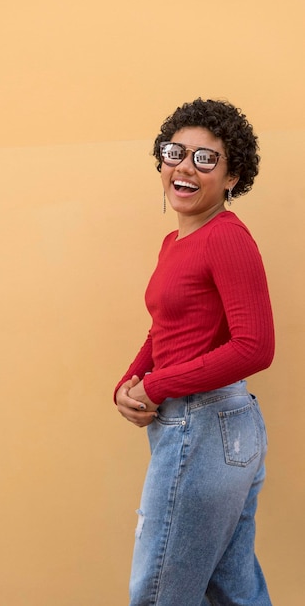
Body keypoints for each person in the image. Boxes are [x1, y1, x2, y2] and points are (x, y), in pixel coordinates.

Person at [114, 98, 275, 606]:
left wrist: (157, 386)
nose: (185, 166)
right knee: (232, 591)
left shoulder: (226, 237)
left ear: (232, 177)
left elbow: (255, 347)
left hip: (204, 425)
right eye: (175, 152)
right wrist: (131, 381)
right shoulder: (176, 241)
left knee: (161, 593)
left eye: (206, 158)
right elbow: (166, 327)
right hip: (205, 427)